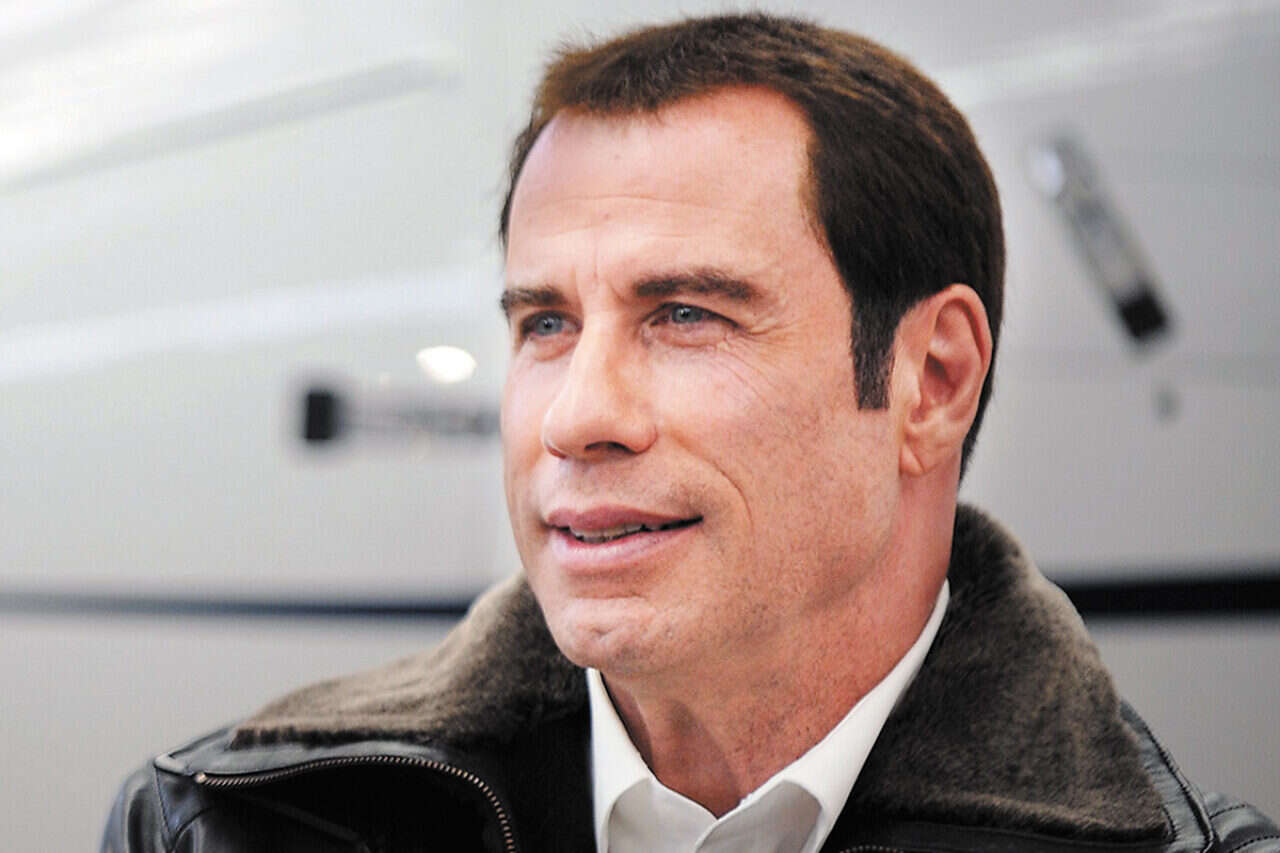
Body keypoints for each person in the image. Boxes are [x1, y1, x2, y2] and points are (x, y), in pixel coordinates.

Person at [103, 13, 1276, 852]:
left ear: (930, 380)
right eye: (545, 322)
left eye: (683, 314)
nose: (577, 417)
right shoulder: (223, 822)